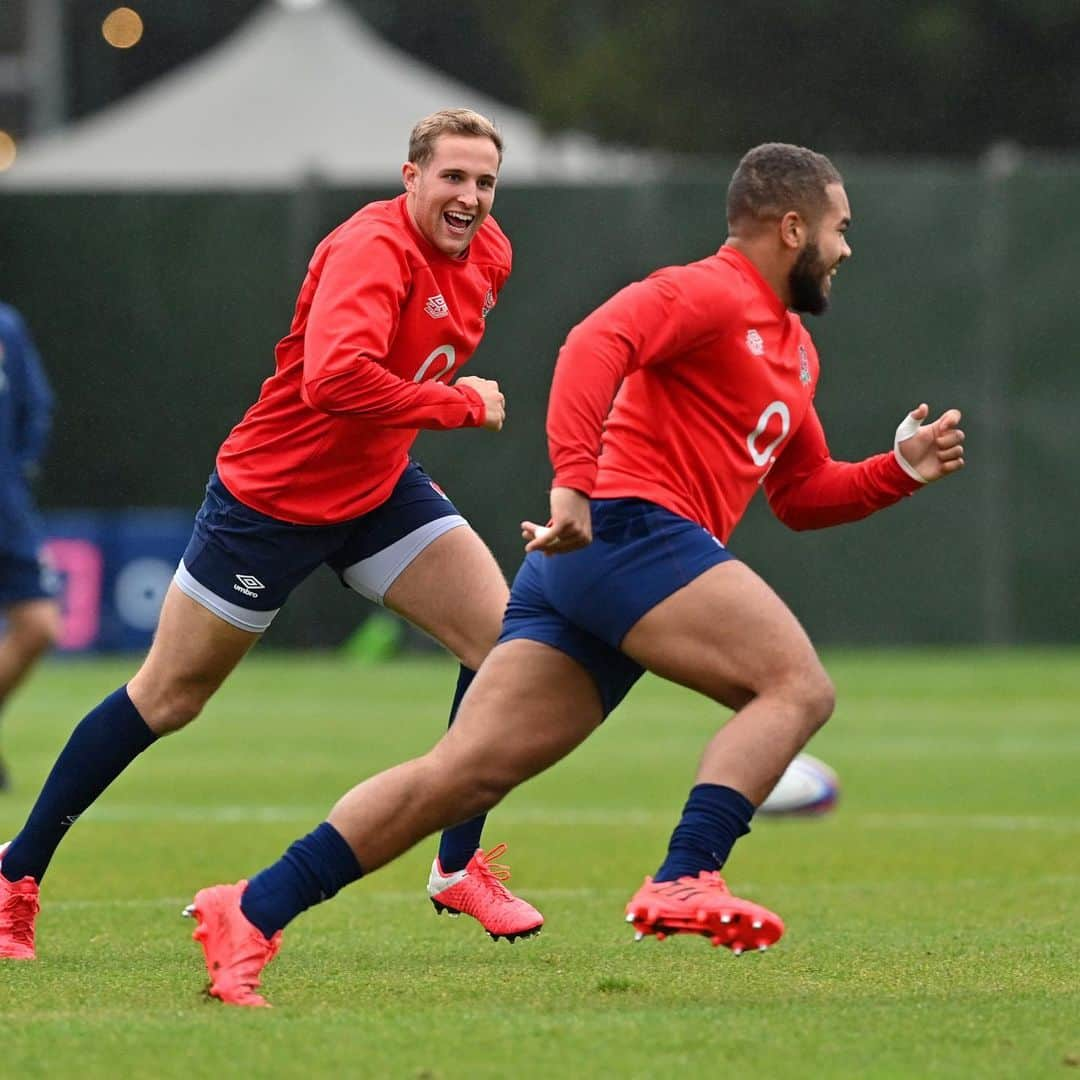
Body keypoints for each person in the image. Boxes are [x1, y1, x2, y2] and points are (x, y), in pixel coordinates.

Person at [194, 141, 963, 1007]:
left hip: (594, 570)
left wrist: (902, 469)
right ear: (793, 228)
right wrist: (573, 484)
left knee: (462, 775)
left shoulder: (793, 350)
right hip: (626, 533)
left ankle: (252, 909)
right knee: (796, 687)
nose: (846, 249)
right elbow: (595, 343)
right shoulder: (711, 290)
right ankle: (686, 875)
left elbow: (802, 495)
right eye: (839, 228)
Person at [0, 108, 547, 961]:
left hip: (377, 490)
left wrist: (426, 418)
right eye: (453, 178)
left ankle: (457, 865)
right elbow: (333, 380)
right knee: (168, 698)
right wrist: (457, 403)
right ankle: (15, 875)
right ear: (411, 178)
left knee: (504, 644)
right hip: (272, 501)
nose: (470, 197)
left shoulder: (491, 254)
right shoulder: (372, 249)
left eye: (484, 182)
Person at [0, 304, 62, 792]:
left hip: (6, 508)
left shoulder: (6, 326)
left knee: (39, 625)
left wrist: (17, 472)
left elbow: (33, 406)